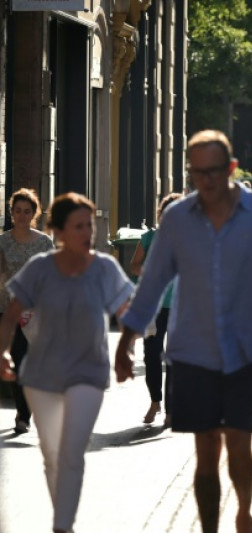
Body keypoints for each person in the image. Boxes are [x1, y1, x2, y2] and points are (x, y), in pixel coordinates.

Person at [114, 130, 252, 533]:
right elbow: (151, 284)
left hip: (246, 348)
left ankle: (243, 510)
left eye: (213, 171)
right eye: (196, 171)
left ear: (232, 169)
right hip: (191, 351)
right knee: (205, 450)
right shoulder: (177, 220)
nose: (205, 180)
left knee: (238, 442)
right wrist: (127, 341)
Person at [0, 192, 134, 533]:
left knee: (72, 452)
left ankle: (62, 526)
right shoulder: (40, 268)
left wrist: (126, 349)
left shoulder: (104, 268)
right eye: (78, 226)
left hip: (88, 372)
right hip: (41, 375)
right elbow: (11, 314)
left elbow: (126, 312)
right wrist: (2, 351)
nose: (87, 232)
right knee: (52, 455)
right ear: (58, 231)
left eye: (89, 225)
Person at [0, 188, 54, 434]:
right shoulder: (2, 241)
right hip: (7, 309)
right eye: (18, 211)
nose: (22, 216)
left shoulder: (44, 242)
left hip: (35, 311)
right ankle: (23, 414)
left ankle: (29, 408)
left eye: (27, 212)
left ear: (34, 214)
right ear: (11, 213)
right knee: (16, 361)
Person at [128, 192, 183, 426]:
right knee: (151, 355)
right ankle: (155, 401)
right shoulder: (149, 238)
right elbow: (134, 266)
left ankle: (171, 410)